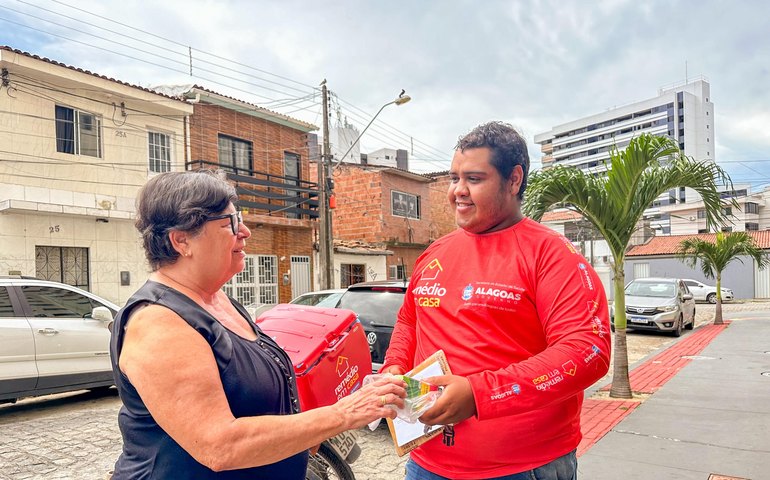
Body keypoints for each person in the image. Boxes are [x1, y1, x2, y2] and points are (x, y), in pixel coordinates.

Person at [109, 169, 406, 479]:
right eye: (230, 223)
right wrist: (343, 414)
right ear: (182, 240)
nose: (245, 232)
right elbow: (219, 445)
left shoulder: (217, 300)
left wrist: (305, 427)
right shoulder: (159, 323)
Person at [381, 122, 611, 480]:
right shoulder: (435, 252)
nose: (457, 191)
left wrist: (479, 394)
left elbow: (588, 351)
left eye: (473, 178)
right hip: (426, 464)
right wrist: (394, 367)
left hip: (522, 469)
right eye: (454, 178)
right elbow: (411, 321)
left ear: (514, 179)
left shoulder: (551, 255)